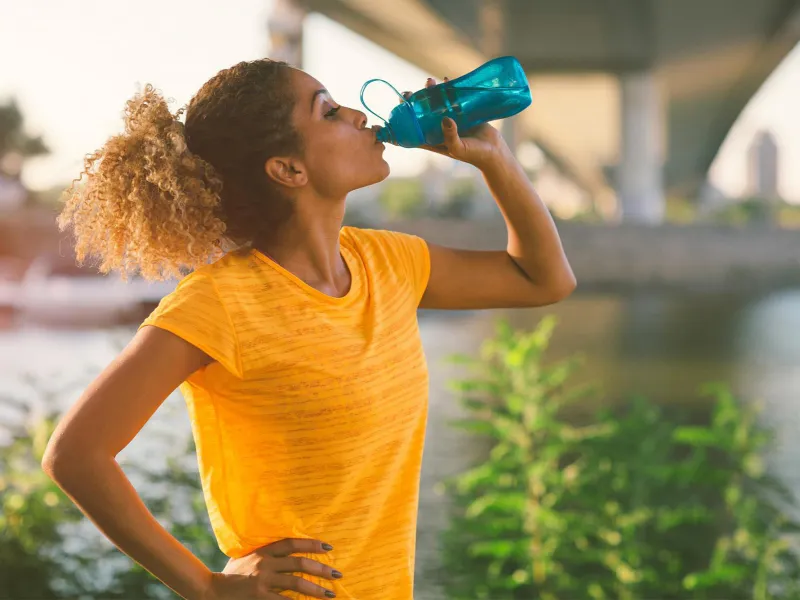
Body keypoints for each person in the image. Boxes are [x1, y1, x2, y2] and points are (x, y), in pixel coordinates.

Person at [42, 59, 575, 600]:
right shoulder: (219, 302)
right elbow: (76, 455)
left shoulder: (387, 262)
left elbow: (543, 280)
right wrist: (207, 587)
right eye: (328, 110)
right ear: (288, 169)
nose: (356, 114)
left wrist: (494, 159)